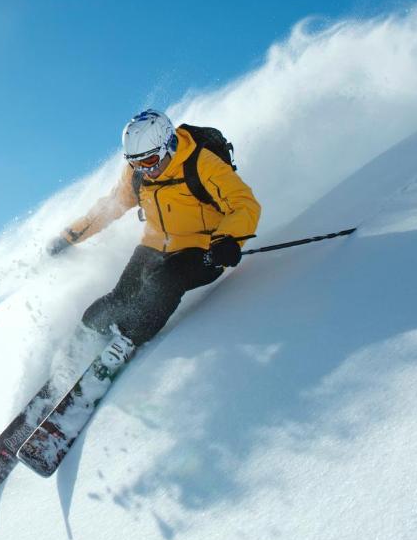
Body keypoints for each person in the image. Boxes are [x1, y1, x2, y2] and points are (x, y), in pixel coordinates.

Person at [49, 109, 261, 356]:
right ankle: (77, 346)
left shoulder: (202, 164)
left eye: (149, 162)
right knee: (119, 297)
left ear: (169, 145)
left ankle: (124, 344)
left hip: (205, 250)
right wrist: (69, 237)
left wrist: (228, 239)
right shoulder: (137, 174)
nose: (144, 170)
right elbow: (108, 208)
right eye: (136, 163)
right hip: (154, 245)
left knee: (166, 280)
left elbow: (244, 204)